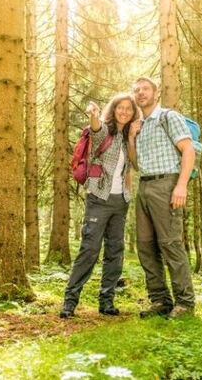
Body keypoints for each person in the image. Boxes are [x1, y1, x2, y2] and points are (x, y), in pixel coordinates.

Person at [59, 93, 140, 318]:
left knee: (115, 252)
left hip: (119, 202)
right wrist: (94, 115)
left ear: (133, 113)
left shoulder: (127, 137)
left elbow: (133, 166)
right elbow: (95, 129)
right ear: (113, 110)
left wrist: (132, 137)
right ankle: (69, 302)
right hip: (99, 198)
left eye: (129, 109)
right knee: (90, 249)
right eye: (120, 108)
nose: (124, 111)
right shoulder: (105, 130)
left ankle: (106, 302)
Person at [128, 77, 196, 319]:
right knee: (146, 246)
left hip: (167, 183)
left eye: (145, 89)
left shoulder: (169, 117)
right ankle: (160, 301)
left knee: (170, 244)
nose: (140, 93)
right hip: (145, 187)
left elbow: (188, 150)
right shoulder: (141, 125)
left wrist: (181, 185)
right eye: (136, 90)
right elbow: (136, 166)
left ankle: (185, 304)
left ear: (155, 93)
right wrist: (131, 138)